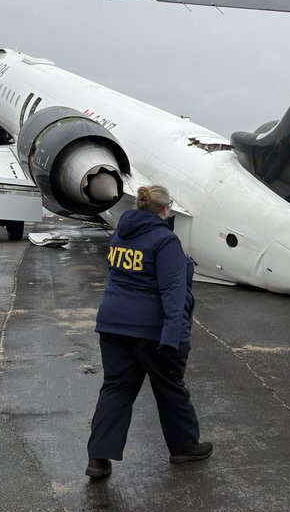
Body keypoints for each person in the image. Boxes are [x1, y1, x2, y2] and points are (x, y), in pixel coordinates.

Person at [85, 184, 210, 479]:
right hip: (151, 332)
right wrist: (172, 338)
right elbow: (172, 293)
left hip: (113, 326)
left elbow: (119, 276)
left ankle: (98, 458)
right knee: (170, 388)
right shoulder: (165, 242)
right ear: (165, 210)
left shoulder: (120, 234)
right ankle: (184, 446)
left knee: (116, 389)